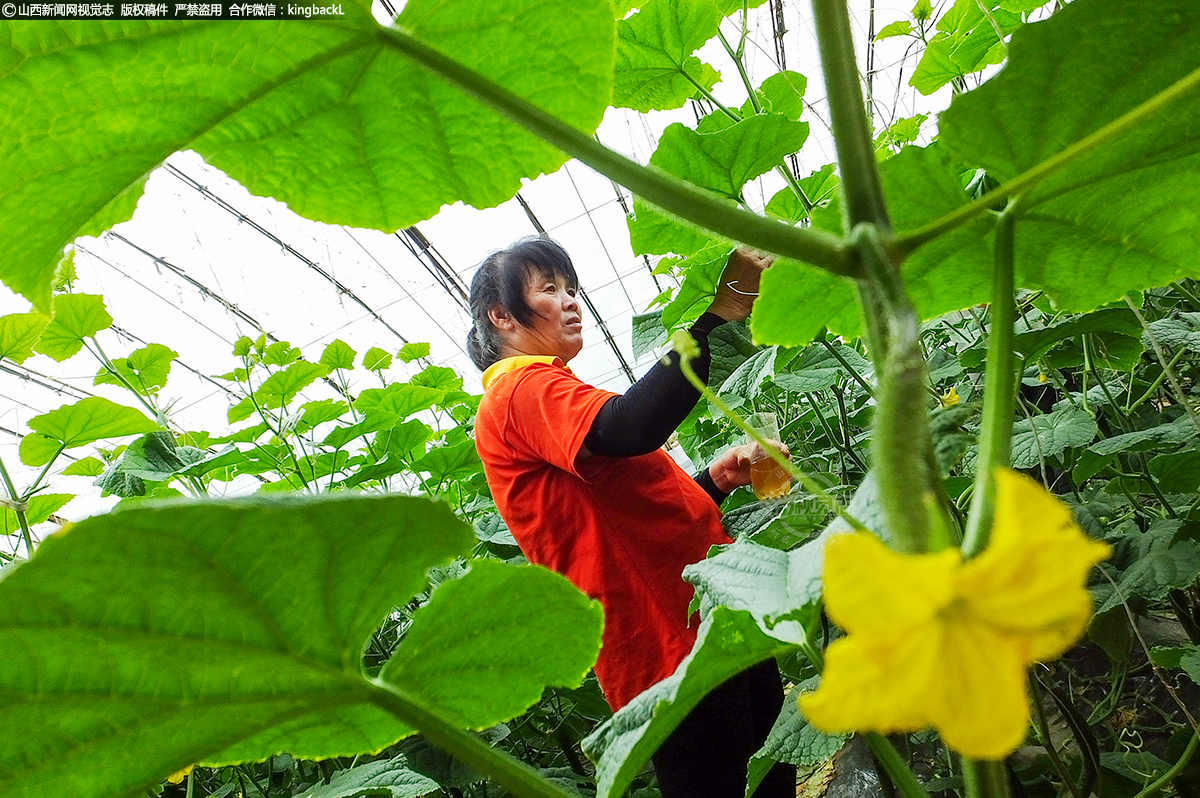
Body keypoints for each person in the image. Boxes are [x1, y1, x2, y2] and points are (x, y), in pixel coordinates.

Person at [469, 237, 795, 798]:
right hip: (668, 652)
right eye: (549, 289)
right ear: (501, 316)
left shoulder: (550, 394)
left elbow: (632, 520)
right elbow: (630, 426)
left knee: (769, 774)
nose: (571, 301)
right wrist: (719, 314)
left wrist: (714, 480)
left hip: (705, 624)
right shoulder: (517, 389)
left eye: (572, 287)